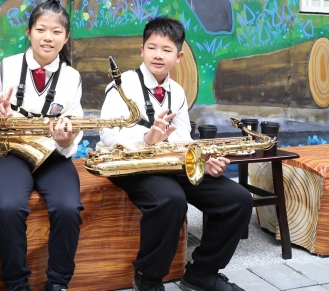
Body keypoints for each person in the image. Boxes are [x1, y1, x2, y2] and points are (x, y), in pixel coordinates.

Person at [99, 16, 251, 291]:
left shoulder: (177, 92)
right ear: (142, 50)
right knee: (170, 200)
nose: (158, 55)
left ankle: (202, 273)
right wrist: (147, 138)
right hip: (130, 165)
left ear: (179, 57)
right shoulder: (121, 85)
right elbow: (108, 136)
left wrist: (204, 161)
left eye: (166, 49)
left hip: (170, 164)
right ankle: (148, 279)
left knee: (238, 199)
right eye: (152, 47)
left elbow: (183, 139)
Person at [0, 0, 84, 291]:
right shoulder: (5, 67)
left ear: (66, 37)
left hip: (52, 154)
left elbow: (76, 122)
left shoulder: (72, 77)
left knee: (68, 207)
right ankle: (16, 284)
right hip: (11, 151)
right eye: (41, 29)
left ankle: (58, 283)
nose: (48, 37)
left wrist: (67, 141)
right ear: (29, 32)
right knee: (8, 207)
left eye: (57, 32)